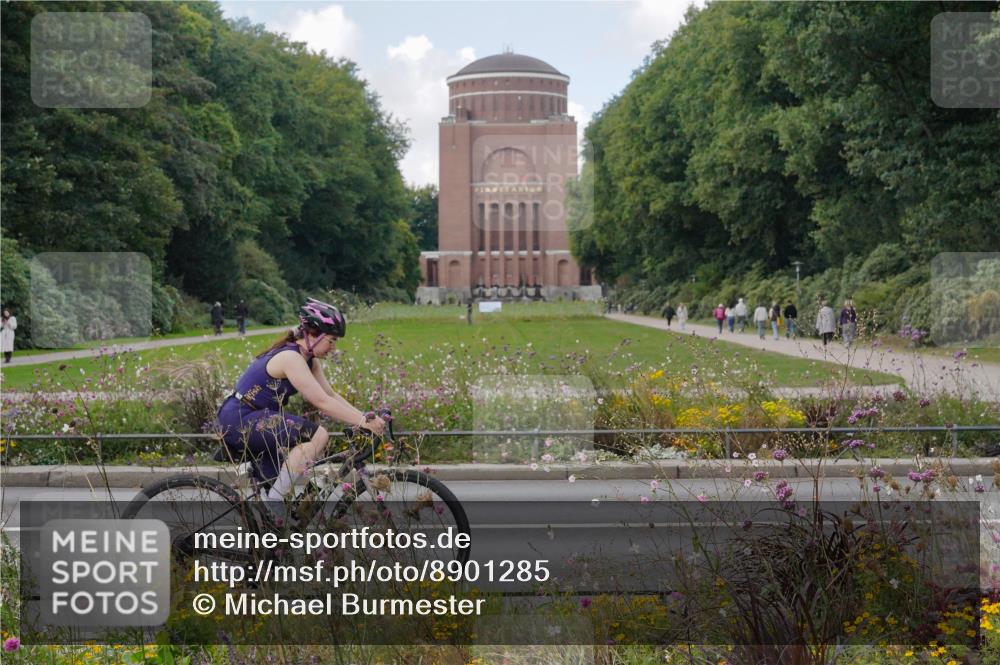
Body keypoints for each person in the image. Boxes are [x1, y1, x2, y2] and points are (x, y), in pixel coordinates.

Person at [216, 298, 386, 518]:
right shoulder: (290, 358)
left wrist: (364, 417)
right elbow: (321, 402)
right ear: (312, 335)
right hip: (240, 418)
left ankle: (271, 535)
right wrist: (362, 422)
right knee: (318, 435)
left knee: (279, 516)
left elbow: (330, 394)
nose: (333, 348)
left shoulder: (308, 360)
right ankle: (275, 501)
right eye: (331, 341)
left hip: (258, 418)